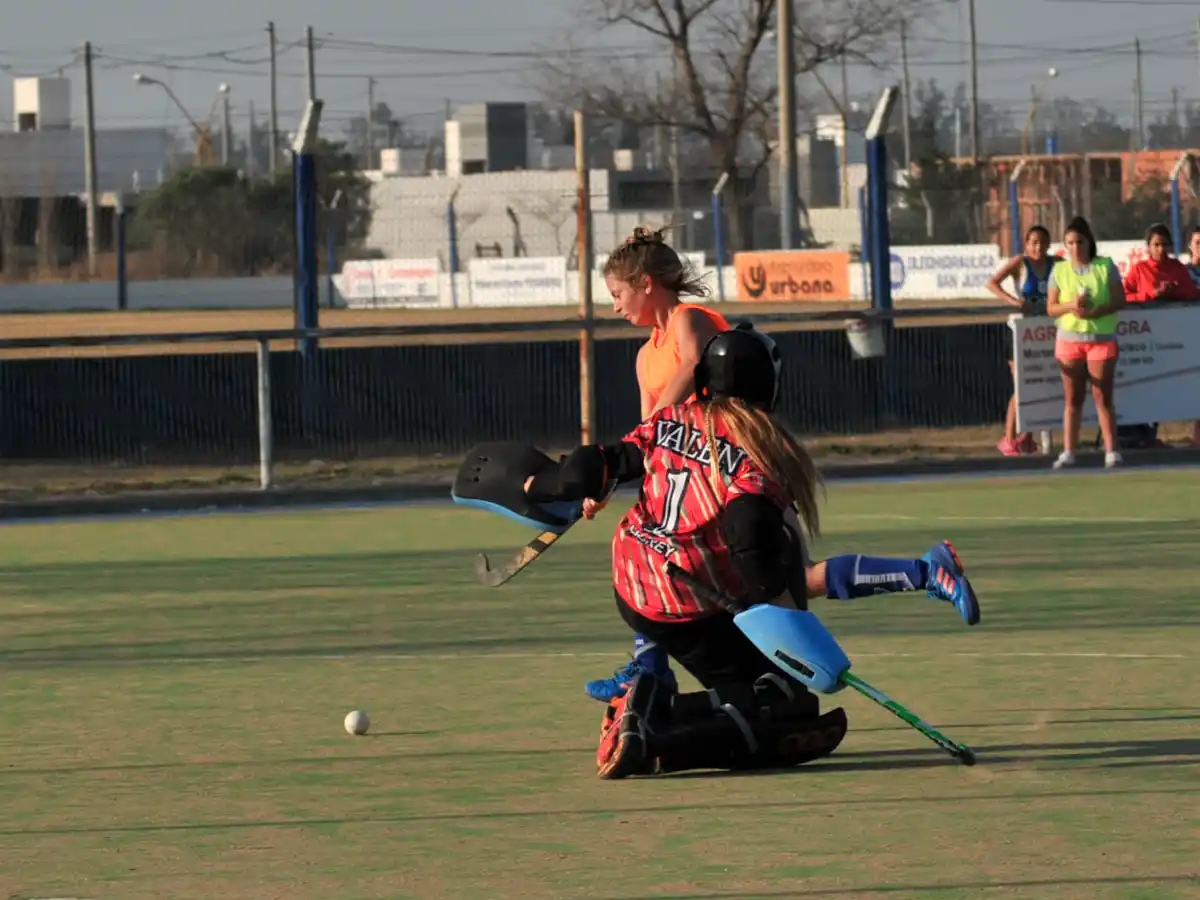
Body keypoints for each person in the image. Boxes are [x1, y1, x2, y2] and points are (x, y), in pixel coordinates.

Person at [515, 324, 982, 777]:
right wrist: (770, 600)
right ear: (769, 386)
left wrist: (546, 484)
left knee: (773, 684)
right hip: (688, 603)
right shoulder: (761, 455)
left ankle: (653, 701)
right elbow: (749, 536)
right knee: (785, 701)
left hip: (632, 583)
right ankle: (651, 743)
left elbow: (597, 464)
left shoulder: (669, 417)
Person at [583, 232, 982, 706]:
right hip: (698, 492)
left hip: (739, 473)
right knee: (658, 559)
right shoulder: (644, 355)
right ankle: (650, 667)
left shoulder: (690, 321)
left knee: (797, 580)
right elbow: (647, 442)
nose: (614, 308)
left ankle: (926, 572)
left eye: (617, 295)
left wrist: (650, 430)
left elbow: (690, 370)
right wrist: (607, 479)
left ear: (646, 284)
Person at [1045, 216, 1126, 469]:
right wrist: (1071, 306)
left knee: (1103, 397)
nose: (1074, 247)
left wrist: (1096, 311)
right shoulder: (1059, 270)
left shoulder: (1105, 266)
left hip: (1100, 341)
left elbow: (1119, 299)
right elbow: (1051, 308)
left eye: (1079, 241)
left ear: (1088, 241)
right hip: (1069, 342)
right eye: (1069, 242)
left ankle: (1112, 450)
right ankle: (1069, 450)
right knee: (1073, 399)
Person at [1119, 224, 1197, 448]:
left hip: (1172, 338)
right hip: (1144, 340)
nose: (1160, 249)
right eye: (1156, 245)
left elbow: (1191, 293)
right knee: (1144, 384)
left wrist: (1173, 293)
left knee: (1165, 385)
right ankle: (1139, 433)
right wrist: (1150, 294)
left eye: (1164, 244)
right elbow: (1124, 295)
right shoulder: (1139, 269)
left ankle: (1154, 432)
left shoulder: (1178, 268)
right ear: (1148, 247)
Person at [987, 225, 1054, 456]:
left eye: (1043, 242)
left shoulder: (1056, 265)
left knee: (1040, 384)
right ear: (1026, 245)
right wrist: (1013, 302)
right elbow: (992, 283)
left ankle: (1027, 437)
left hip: (1043, 332)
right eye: (1033, 242)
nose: (1038, 247)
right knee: (1021, 387)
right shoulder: (1020, 263)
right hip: (1018, 331)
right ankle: (1009, 439)